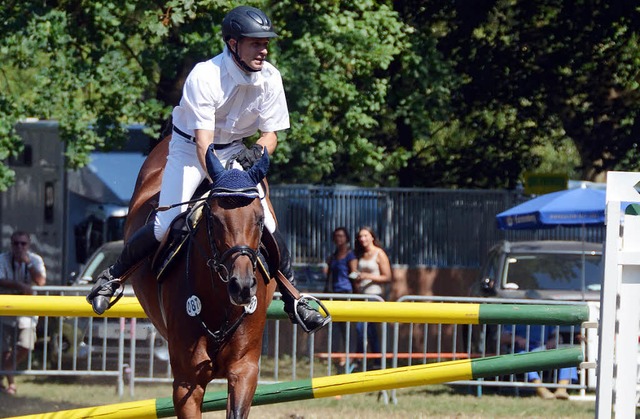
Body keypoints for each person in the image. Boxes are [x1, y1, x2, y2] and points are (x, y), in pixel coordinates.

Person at [86, 5, 329, 334]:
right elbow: (203, 144)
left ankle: (294, 298)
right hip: (191, 150)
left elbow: (270, 135)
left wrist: (257, 151)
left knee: (267, 223)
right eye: (255, 43)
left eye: (265, 42)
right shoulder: (205, 75)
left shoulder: (271, 77)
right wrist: (224, 180)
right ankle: (112, 278)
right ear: (233, 44)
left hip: (235, 150)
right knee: (164, 223)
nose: (264, 49)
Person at [0, 231, 46, 396]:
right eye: (16, 244)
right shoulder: (3, 259)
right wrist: (20, 286)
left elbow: (41, 281)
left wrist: (28, 264)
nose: (19, 247)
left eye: (23, 244)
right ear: (11, 245)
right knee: (4, 349)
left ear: (29, 245)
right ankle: (11, 383)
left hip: (27, 311)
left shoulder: (35, 260)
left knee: (25, 345)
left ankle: (5, 370)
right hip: (6, 309)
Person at [351, 226, 392, 368]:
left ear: (372, 237)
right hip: (363, 295)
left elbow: (387, 277)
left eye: (365, 236)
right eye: (360, 236)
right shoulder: (361, 254)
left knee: (361, 327)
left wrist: (367, 276)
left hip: (375, 296)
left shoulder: (379, 254)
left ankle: (359, 359)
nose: (362, 239)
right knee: (370, 330)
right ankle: (375, 361)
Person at [501, 325, 578, 400]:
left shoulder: (546, 318)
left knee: (567, 356)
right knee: (524, 357)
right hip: (522, 352)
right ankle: (540, 389)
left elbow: (558, 337)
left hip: (544, 350)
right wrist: (517, 339)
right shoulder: (516, 317)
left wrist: (554, 340)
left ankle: (562, 389)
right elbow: (501, 338)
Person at [324, 227, 357, 370]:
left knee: (347, 329)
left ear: (347, 238)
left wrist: (357, 295)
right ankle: (339, 359)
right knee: (335, 329)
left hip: (346, 294)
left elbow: (354, 275)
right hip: (334, 293)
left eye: (342, 236)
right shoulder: (332, 256)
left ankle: (350, 358)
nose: (339, 239)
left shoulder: (350, 255)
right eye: (337, 236)